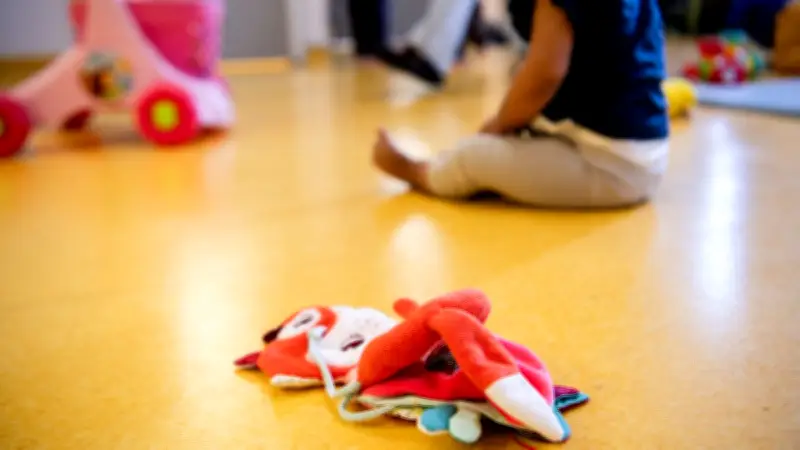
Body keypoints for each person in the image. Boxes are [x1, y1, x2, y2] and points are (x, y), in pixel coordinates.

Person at [372, 0, 670, 208]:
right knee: (513, 134)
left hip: (611, 167)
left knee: (471, 158)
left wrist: (499, 123)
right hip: (630, 150)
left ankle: (414, 171)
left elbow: (545, 76)